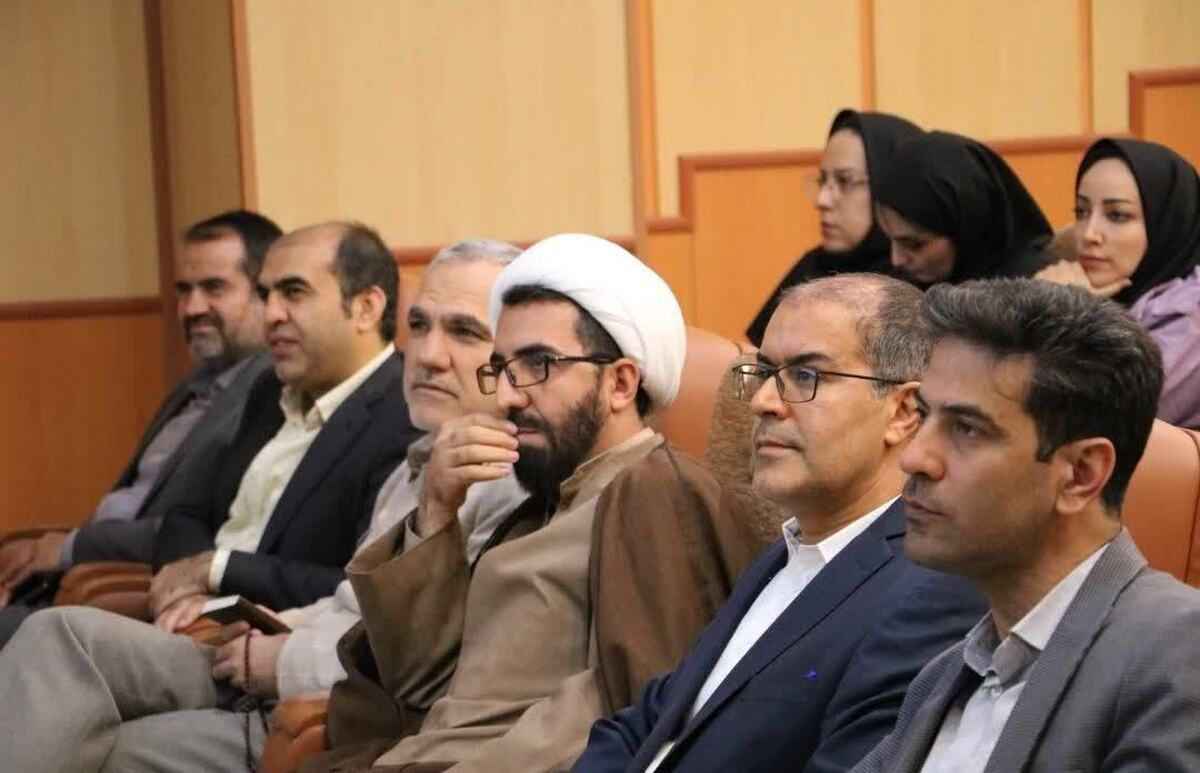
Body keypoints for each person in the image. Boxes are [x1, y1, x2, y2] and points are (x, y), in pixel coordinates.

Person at [0, 241, 527, 772]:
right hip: (264, 644)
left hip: (316, 708)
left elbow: (426, 665)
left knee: (102, 745)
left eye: (464, 332)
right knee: (58, 637)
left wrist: (281, 655)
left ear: (516, 357)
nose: (428, 354)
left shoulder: (504, 482)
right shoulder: (416, 455)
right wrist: (272, 625)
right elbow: (349, 600)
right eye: (418, 325)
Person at [304, 233, 757, 772]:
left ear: (620, 383)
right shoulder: (543, 502)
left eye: (539, 363)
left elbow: (626, 715)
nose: (506, 396)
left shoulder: (656, 492)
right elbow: (420, 686)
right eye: (502, 367)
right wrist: (436, 511)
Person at [575, 274, 985, 772]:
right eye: (766, 372)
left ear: (901, 411)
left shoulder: (931, 591)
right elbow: (649, 721)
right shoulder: (787, 553)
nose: (763, 401)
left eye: (806, 376)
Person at [852, 278, 1200, 772]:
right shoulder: (947, 673)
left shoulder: (1179, 652)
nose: (915, 458)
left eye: (966, 429)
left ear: (1081, 474)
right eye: (924, 417)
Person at [0, 210, 279, 641]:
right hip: (77, 573)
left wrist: (69, 547)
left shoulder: (268, 398)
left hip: (138, 588)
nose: (192, 308)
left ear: (267, 295)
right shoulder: (196, 384)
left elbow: (201, 529)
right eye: (184, 290)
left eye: (214, 288)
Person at [146, 221, 421, 631]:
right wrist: (189, 590)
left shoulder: (404, 415)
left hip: (272, 644)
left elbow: (363, 589)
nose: (271, 315)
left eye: (293, 292)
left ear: (366, 307)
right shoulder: (268, 390)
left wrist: (216, 570)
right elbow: (186, 511)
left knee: (57, 632)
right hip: (187, 622)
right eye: (265, 295)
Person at [1037, 138, 1200, 429]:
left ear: (1167, 221)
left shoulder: (1188, 319)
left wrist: (1056, 308)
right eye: (1082, 212)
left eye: (1117, 215)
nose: (1089, 234)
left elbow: (1089, 421)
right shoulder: (1107, 290)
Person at [746, 109, 922, 345]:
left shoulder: (921, 280)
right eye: (823, 180)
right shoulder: (814, 266)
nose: (822, 200)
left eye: (844, 181)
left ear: (889, 187)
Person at [874, 131, 1053, 287]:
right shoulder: (900, 284)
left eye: (915, 245)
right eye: (890, 240)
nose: (896, 260)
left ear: (968, 226)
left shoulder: (1040, 289)